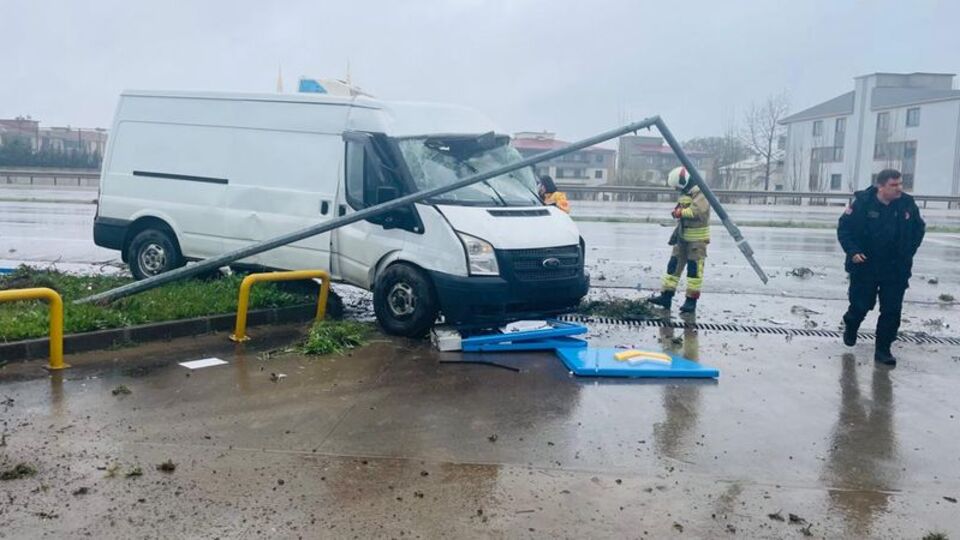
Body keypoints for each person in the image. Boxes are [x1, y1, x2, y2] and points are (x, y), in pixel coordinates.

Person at [837, 168, 925, 366]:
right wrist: (853, 252)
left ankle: (883, 350)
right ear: (881, 186)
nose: (899, 188)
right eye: (894, 185)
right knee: (861, 305)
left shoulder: (907, 204)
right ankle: (851, 323)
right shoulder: (863, 203)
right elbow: (844, 229)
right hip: (865, 264)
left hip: (895, 267)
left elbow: (919, 229)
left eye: (900, 184)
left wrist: (908, 251)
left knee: (892, 310)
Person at [648, 166, 710, 313]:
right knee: (673, 266)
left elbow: (698, 212)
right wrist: (677, 211)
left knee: (694, 271)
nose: (676, 189)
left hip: (697, 241)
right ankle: (666, 296)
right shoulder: (686, 193)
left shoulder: (700, 192)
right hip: (682, 238)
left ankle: (690, 302)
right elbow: (682, 209)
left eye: (677, 186)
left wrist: (679, 212)